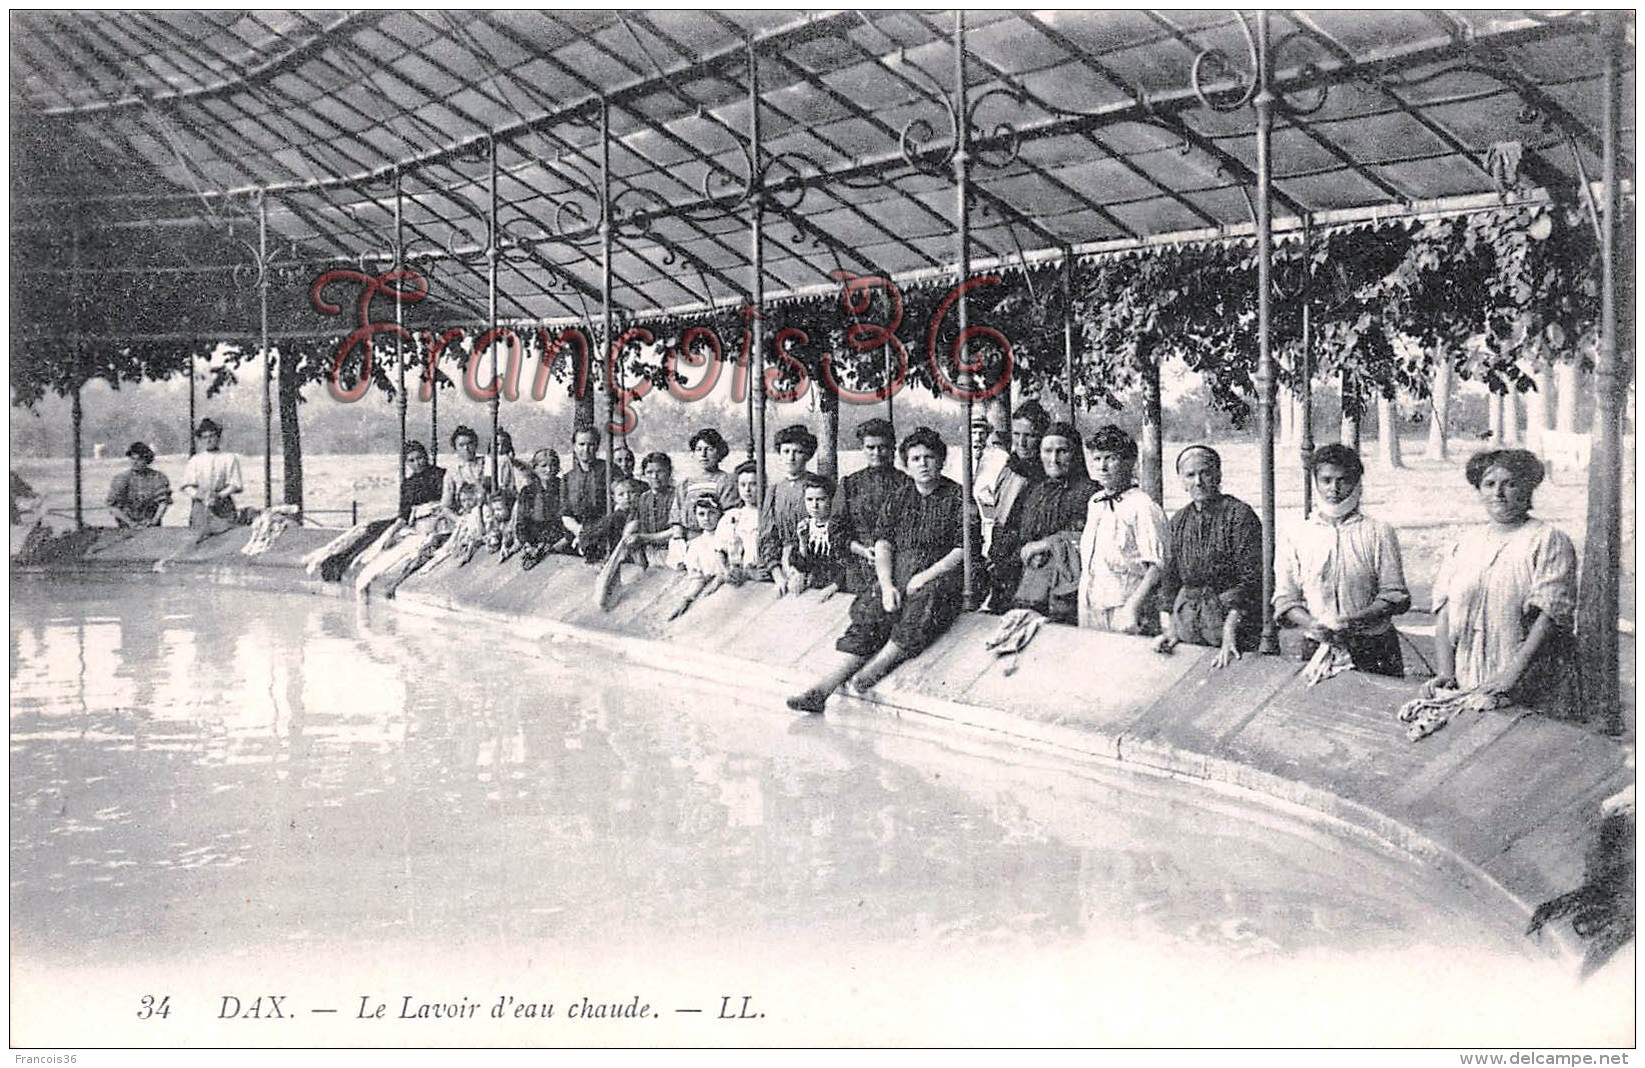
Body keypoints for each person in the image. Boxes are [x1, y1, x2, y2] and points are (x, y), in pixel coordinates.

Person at [786, 427, 977, 714]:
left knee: (923, 605)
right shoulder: (900, 496)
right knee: (874, 607)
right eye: (915, 458)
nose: (923, 464)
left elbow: (964, 548)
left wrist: (925, 576)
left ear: (941, 461)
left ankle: (870, 673)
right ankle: (823, 689)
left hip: (942, 573)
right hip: (900, 569)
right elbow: (883, 543)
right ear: (906, 464)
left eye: (929, 457)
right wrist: (887, 584)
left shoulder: (957, 496)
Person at [1426, 449, 1578, 716]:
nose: (1498, 493)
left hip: (1526, 678)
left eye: (1510, 484)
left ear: (1528, 488)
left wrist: (1510, 677)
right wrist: (1445, 672)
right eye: (1489, 484)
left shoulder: (1547, 540)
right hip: (1467, 672)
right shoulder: (1466, 542)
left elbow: (1550, 616)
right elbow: (1445, 610)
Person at [1274, 443, 1411, 677]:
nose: (1334, 489)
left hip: (1373, 645)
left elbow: (1393, 595)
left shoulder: (1378, 532)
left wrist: (1355, 620)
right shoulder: (1296, 534)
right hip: (1319, 644)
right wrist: (1311, 624)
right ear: (1316, 482)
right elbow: (1285, 598)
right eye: (1326, 480)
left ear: (1357, 483)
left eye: (1343, 480)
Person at [1154, 445, 1264, 667]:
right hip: (1189, 622)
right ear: (1182, 481)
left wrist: (1231, 627)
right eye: (1190, 475)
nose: (1198, 481)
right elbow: (1170, 580)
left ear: (1218, 475)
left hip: (1234, 623)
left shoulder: (1239, 515)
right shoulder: (1178, 521)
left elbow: (1253, 579)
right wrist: (1170, 628)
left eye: (1205, 472)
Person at [989, 421, 1093, 624]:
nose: (1053, 459)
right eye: (1047, 451)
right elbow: (1019, 536)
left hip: (1068, 581)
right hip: (1029, 573)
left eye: (1062, 451)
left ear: (1075, 454)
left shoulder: (1089, 492)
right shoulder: (1035, 491)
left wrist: (1046, 545)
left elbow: (1090, 538)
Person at [1075, 425, 1167, 635]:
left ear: (1129, 462)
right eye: (1097, 459)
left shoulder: (1143, 506)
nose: (1103, 467)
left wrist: (1131, 608)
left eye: (1111, 458)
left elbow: (1158, 566)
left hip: (1125, 610)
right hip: (1091, 606)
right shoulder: (1095, 502)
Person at [834, 418, 911, 593]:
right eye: (870, 447)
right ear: (863, 448)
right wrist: (862, 550)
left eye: (882, 447)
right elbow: (837, 529)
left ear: (892, 448)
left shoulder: (906, 483)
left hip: (898, 563)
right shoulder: (849, 484)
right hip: (859, 565)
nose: (876, 452)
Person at [979, 400, 1049, 570]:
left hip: (1030, 556)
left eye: (1029, 435)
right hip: (1002, 551)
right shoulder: (1009, 468)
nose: (1021, 442)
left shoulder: (1046, 474)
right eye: (1017, 434)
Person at [758, 423, 818, 581]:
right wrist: (777, 574)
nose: (791, 458)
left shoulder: (817, 485)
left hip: (814, 563)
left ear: (807, 455)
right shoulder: (774, 491)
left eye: (797, 452)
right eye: (786, 451)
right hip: (782, 563)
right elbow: (768, 537)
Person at [781, 473, 855, 598]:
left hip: (839, 589)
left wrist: (833, 587)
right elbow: (803, 565)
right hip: (814, 588)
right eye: (809, 500)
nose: (814, 505)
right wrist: (802, 542)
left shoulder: (840, 528)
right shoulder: (805, 527)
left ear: (831, 500)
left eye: (821, 499)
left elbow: (850, 564)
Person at [669, 428, 740, 554]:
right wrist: (678, 540)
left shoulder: (726, 481)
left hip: (716, 541)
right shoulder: (685, 484)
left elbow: (730, 517)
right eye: (699, 449)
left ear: (720, 453)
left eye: (709, 449)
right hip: (687, 542)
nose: (703, 454)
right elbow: (677, 516)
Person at [178, 418, 245, 537]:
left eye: (212, 436)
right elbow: (187, 485)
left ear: (218, 438)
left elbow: (235, 484)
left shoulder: (229, 458)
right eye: (205, 437)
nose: (208, 440)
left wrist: (219, 496)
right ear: (201, 440)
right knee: (199, 537)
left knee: (226, 536)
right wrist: (200, 495)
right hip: (200, 505)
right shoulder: (195, 460)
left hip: (223, 504)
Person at [509, 448, 572, 566]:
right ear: (535, 468)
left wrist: (555, 546)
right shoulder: (527, 492)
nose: (549, 470)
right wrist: (526, 543)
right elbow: (521, 523)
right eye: (544, 466)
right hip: (534, 545)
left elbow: (570, 521)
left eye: (553, 465)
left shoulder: (565, 488)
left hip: (560, 546)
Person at [561, 423, 609, 546]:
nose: (586, 449)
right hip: (577, 534)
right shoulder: (568, 479)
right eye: (581, 444)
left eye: (591, 444)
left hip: (605, 534)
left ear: (597, 446)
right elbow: (566, 514)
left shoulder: (609, 471)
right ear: (574, 447)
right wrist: (579, 531)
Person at [106, 441, 172, 528]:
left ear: (147, 460)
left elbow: (163, 503)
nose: (135, 462)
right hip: (126, 526)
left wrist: (153, 521)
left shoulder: (158, 477)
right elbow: (113, 506)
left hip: (151, 525)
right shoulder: (121, 479)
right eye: (133, 459)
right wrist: (131, 523)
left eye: (139, 459)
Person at [631, 451, 676, 566]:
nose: (654, 477)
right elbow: (634, 523)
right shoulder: (643, 498)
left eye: (659, 472)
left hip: (671, 551)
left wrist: (644, 537)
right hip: (648, 551)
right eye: (649, 472)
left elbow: (676, 531)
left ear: (669, 472)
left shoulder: (676, 496)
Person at [440, 425, 489, 520]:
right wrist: (459, 520)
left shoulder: (486, 464)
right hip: (464, 517)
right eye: (461, 445)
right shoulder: (452, 472)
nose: (466, 448)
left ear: (476, 444)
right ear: (455, 448)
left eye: (470, 444)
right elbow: (445, 506)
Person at [399, 441, 445, 520]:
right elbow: (404, 513)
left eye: (419, 458)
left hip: (436, 516)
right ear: (407, 463)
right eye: (412, 461)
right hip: (413, 519)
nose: (417, 464)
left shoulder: (440, 475)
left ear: (426, 457)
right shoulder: (408, 483)